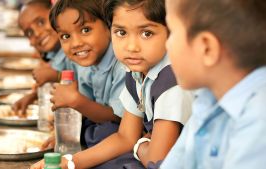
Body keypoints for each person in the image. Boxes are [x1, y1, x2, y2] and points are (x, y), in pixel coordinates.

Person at [31, 0, 191, 168]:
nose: (131, 47)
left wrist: (139, 144)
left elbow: (155, 160)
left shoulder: (172, 81)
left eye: (146, 33)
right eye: (121, 32)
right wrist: (70, 163)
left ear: (172, 31)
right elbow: (125, 137)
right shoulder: (136, 70)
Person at [161, 0, 266, 169]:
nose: (167, 45)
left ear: (207, 48)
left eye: (172, 32)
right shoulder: (208, 98)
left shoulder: (260, 120)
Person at [30, 0, 126, 168]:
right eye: (66, 36)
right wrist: (63, 136)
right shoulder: (84, 63)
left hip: (125, 131)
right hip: (101, 127)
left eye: (85, 30)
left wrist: (76, 101)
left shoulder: (123, 64)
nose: (75, 43)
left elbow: (118, 117)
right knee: (91, 128)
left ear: (108, 25)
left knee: (105, 132)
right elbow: (87, 110)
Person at [13, 0, 73, 115]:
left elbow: (83, 81)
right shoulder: (53, 55)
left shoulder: (76, 48)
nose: (37, 33)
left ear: (56, 13)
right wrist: (33, 96)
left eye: (41, 22)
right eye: (29, 32)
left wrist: (56, 76)